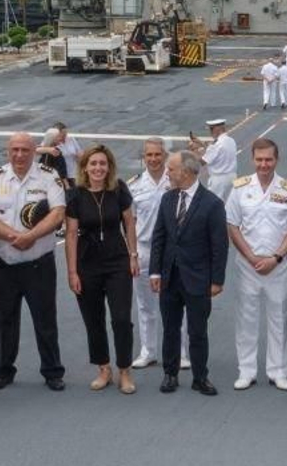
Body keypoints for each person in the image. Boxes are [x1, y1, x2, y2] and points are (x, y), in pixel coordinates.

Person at [0, 132, 69, 391]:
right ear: (8, 151)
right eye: (14, 150)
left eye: (25, 150)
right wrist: (14, 236)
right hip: (5, 264)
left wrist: (31, 236)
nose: (19, 155)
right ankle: (4, 371)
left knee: (45, 320)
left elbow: (58, 213)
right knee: (5, 321)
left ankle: (52, 371)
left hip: (39, 264)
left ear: (34, 151)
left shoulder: (47, 176)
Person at [225, 138, 287, 391]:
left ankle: (278, 371)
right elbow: (232, 226)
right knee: (246, 320)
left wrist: (277, 257)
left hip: (278, 265)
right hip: (248, 265)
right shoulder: (239, 189)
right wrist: (250, 256)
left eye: (268, 159)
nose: (264, 164)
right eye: (259, 159)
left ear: (276, 159)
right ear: (252, 159)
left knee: (279, 319)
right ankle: (246, 370)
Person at [149, 150, 228, 395]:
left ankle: (200, 377)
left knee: (197, 331)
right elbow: (159, 237)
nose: (167, 173)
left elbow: (219, 245)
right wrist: (155, 272)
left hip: (198, 279)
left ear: (186, 171)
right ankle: (170, 374)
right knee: (170, 328)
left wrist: (217, 280)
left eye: (171, 169)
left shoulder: (212, 204)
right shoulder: (168, 199)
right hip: (170, 277)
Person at [65, 145, 139, 395]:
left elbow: (129, 222)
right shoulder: (75, 195)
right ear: (85, 166)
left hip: (117, 261)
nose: (98, 168)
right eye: (93, 163)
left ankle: (125, 370)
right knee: (93, 320)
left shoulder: (119, 189)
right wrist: (72, 271)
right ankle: (104, 368)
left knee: (121, 318)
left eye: (102, 164)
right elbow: (72, 234)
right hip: (87, 264)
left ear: (109, 167)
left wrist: (133, 255)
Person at [128, 139, 186, 370]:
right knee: (145, 305)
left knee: (178, 303)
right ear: (144, 157)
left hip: (172, 250)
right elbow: (129, 223)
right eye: (149, 155)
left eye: (157, 155)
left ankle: (181, 352)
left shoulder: (175, 182)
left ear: (164, 156)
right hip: (144, 249)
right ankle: (148, 350)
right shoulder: (134, 186)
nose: (153, 159)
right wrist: (131, 254)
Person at [191, 118, 239, 200]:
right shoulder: (231, 140)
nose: (210, 132)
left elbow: (202, 162)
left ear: (218, 129)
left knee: (214, 204)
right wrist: (201, 143)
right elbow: (215, 153)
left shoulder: (216, 145)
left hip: (219, 181)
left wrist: (194, 151)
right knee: (230, 204)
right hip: (232, 178)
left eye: (211, 129)